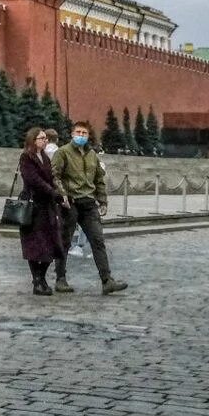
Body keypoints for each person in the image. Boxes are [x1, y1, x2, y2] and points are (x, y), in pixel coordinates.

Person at [50, 121, 128, 295]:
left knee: (98, 240)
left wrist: (103, 201)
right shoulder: (62, 153)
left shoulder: (92, 154)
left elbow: (99, 179)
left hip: (88, 203)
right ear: (72, 134)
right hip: (69, 203)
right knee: (64, 241)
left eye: (84, 133)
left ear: (88, 136)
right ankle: (60, 279)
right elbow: (55, 176)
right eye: (78, 132)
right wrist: (62, 195)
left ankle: (107, 280)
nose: (81, 135)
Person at [19, 128, 65, 296]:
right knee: (35, 245)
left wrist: (59, 193)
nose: (45, 141)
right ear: (33, 140)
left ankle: (41, 278)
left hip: (47, 207)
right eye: (41, 138)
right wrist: (53, 193)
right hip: (33, 206)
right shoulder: (26, 157)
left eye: (46, 138)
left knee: (51, 244)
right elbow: (33, 180)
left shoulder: (45, 156)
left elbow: (51, 178)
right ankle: (37, 281)